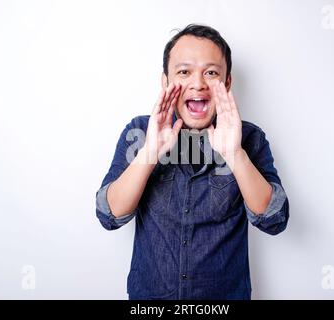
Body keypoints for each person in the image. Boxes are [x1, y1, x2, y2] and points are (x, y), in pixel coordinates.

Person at [95, 24, 289, 300]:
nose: (198, 83)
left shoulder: (250, 138)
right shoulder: (139, 133)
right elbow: (109, 215)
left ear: (227, 83)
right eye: (184, 72)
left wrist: (235, 154)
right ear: (166, 81)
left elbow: (274, 220)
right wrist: (150, 152)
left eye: (211, 73)